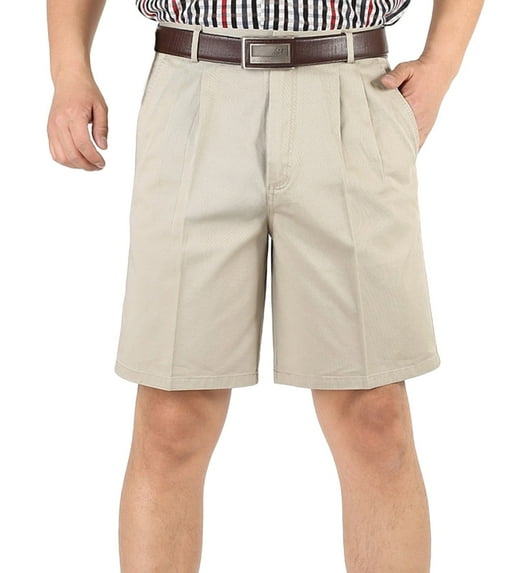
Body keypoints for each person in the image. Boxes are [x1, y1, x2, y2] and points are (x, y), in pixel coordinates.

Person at [46, 0, 483, 570]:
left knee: (374, 419)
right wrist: (69, 69)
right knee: (172, 420)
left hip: (351, 87)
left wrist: (442, 64)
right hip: (194, 86)